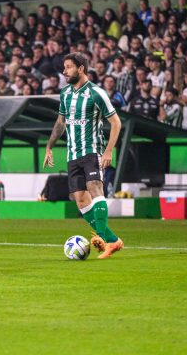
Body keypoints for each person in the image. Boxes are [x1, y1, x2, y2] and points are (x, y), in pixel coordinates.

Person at [44, 52, 123, 259]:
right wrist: (49, 146)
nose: (64, 71)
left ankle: (108, 240)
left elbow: (116, 123)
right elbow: (61, 122)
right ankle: (112, 239)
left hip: (92, 150)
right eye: (64, 67)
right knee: (80, 200)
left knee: (95, 189)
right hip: (73, 153)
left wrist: (108, 151)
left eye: (68, 67)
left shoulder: (96, 93)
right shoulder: (65, 93)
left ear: (81, 68)